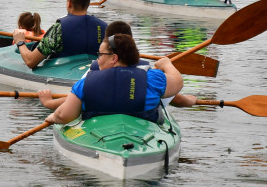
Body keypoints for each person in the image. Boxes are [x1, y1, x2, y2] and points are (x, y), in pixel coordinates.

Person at [38, 20, 197, 110]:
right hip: (140, 129)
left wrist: (49, 103)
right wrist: (193, 100)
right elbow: (177, 99)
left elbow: (74, 100)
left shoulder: (91, 74)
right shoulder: (149, 74)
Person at [42, 33, 184, 126]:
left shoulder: (86, 83)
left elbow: (65, 116)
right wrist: (167, 64)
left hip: (100, 134)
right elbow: (178, 82)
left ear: (114, 58)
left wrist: (53, 117)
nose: (97, 58)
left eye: (100, 54)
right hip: (143, 134)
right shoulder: (151, 78)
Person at [12, 0, 106, 69]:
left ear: (69, 2)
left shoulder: (59, 28)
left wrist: (20, 42)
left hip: (61, 72)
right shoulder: (104, 27)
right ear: (88, 4)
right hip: (90, 72)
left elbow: (30, 61)